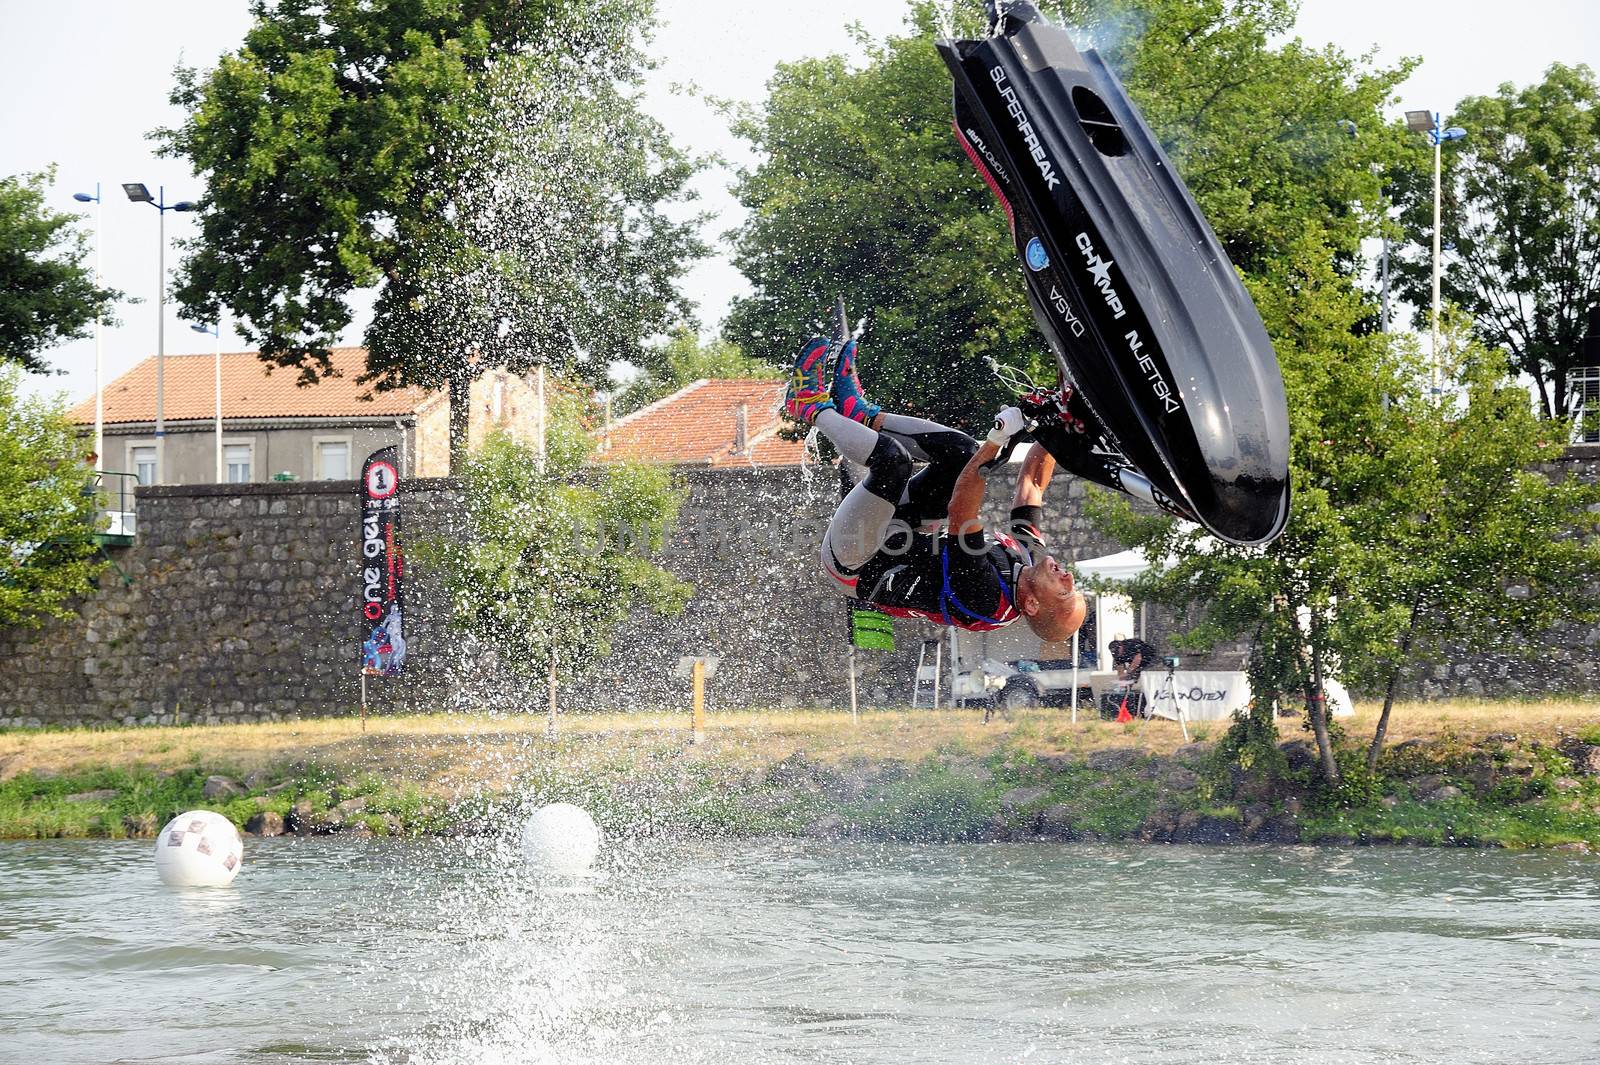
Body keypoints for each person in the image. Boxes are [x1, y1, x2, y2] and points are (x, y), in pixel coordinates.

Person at [785, 330, 1086, 640]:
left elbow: (961, 506)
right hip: (902, 531)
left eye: (1065, 593)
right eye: (1074, 587)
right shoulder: (1031, 559)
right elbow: (1032, 484)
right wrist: (1061, 422)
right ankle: (860, 413)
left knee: (893, 462)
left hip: (856, 561)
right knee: (962, 454)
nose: (1069, 579)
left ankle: (808, 406)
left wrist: (997, 439)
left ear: (1033, 605)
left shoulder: (986, 597)